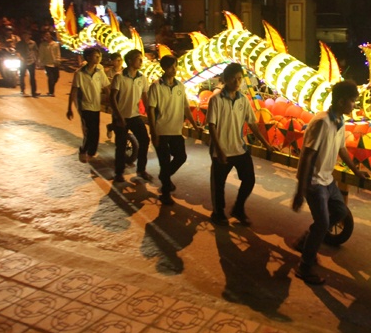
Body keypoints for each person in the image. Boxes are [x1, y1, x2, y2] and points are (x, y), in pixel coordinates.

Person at [291, 80, 369, 285]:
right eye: (353, 101)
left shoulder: (339, 122)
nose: (354, 105)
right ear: (342, 100)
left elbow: (342, 149)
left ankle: (305, 241)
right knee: (323, 223)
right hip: (314, 182)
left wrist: (356, 171)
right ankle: (304, 267)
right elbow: (306, 156)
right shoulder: (322, 122)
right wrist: (300, 191)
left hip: (328, 180)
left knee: (341, 212)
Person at [205, 62, 275, 226]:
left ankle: (238, 208)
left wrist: (266, 144)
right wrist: (219, 150)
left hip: (239, 148)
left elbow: (252, 124)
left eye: (239, 79)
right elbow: (212, 127)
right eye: (233, 79)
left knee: (249, 180)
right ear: (226, 79)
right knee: (219, 184)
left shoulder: (243, 100)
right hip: (221, 150)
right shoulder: (215, 99)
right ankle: (218, 212)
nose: (237, 82)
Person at [146, 54, 200, 205]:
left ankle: (164, 177)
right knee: (164, 162)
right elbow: (150, 111)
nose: (174, 69)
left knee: (181, 157)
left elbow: (186, 108)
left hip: (176, 131)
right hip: (161, 131)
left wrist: (195, 126)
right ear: (164, 68)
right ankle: (165, 193)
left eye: (175, 66)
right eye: (171, 67)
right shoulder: (156, 86)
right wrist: (153, 132)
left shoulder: (180, 86)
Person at [109, 49, 151, 184]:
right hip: (120, 117)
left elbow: (145, 98)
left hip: (134, 116)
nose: (141, 61)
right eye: (138, 58)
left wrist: (151, 115)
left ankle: (141, 170)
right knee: (120, 145)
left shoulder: (142, 78)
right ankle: (119, 173)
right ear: (129, 61)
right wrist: (118, 116)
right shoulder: (119, 77)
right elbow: (112, 98)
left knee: (144, 140)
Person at [67, 47, 111, 163]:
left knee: (96, 131)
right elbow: (74, 91)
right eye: (95, 56)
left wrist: (111, 100)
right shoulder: (79, 73)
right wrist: (69, 108)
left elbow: (106, 87)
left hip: (96, 106)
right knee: (90, 131)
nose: (98, 58)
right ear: (88, 57)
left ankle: (91, 152)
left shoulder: (99, 72)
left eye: (99, 56)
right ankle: (83, 150)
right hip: (85, 106)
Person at [102, 52, 124, 142]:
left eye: (120, 60)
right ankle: (113, 129)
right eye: (116, 60)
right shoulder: (109, 73)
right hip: (114, 98)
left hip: (124, 98)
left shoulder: (125, 71)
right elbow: (106, 86)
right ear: (112, 61)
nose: (119, 62)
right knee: (116, 117)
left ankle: (115, 130)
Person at [17, 30, 39, 97]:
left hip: (31, 61)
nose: (26, 36)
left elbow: (36, 51)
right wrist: (20, 58)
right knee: (22, 76)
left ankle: (33, 92)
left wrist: (37, 60)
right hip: (23, 62)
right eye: (24, 35)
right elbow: (17, 52)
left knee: (32, 77)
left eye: (27, 35)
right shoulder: (19, 44)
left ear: (30, 36)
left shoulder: (33, 43)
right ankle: (22, 89)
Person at [39, 30, 61, 96]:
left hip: (55, 63)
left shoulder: (55, 44)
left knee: (56, 77)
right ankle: (51, 92)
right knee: (50, 78)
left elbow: (58, 53)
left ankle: (51, 87)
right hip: (47, 64)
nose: (47, 36)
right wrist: (41, 62)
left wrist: (58, 60)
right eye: (45, 35)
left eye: (48, 34)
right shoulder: (43, 45)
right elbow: (41, 54)